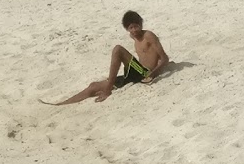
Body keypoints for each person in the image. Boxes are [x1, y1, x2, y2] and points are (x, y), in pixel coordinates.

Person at [41, 10, 170, 105]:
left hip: (144, 73)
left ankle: (107, 90)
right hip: (135, 73)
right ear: (127, 29)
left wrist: (152, 75)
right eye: (131, 27)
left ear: (141, 25)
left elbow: (164, 59)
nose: (134, 30)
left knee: (118, 49)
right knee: (93, 86)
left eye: (136, 26)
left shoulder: (149, 36)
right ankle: (60, 104)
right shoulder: (133, 37)